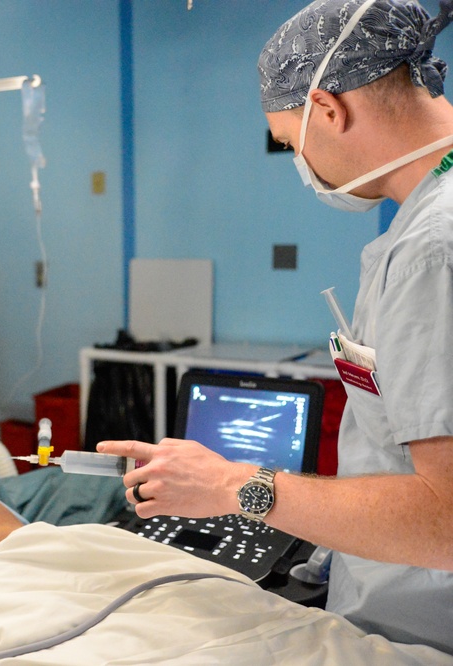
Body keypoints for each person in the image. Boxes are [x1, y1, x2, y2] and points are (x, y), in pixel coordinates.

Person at [99, 0, 453, 654]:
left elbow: (446, 520)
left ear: (328, 110)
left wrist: (234, 487)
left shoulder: (436, 248)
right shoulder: (426, 224)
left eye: (291, 144)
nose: (303, 167)